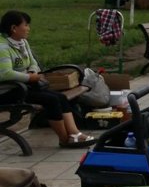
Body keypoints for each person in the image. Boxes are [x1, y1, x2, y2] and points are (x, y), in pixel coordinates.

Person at [0, 10, 94, 148]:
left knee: (61, 97)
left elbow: (33, 63)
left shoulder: (22, 42)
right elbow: (5, 74)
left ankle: (74, 133)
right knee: (51, 100)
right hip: (8, 91)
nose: (28, 28)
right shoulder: (2, 47)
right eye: (26, 25)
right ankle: (64, 139)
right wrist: (29, 77)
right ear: (14, 28)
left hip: (24, 87)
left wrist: (32, 71)